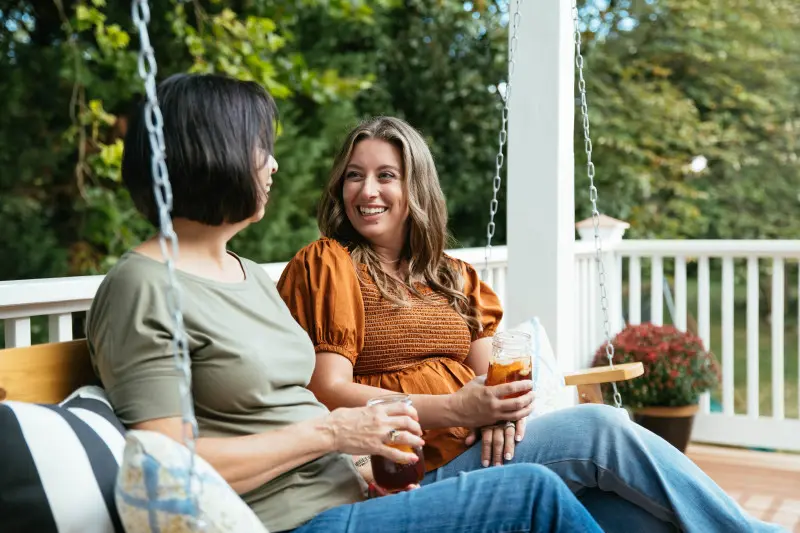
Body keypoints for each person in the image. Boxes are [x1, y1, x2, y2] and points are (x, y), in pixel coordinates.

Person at [85, 73, 605, 533]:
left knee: (611, 483)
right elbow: (169, 468)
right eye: (259, 147)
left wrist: (360, 460)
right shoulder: (143, 288)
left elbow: (288, 405)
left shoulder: (245, 274)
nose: (272, 165)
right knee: (533, 493)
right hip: (295, 518)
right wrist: (336, 432)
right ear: (211, 153)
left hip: (355, 491)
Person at [275, 116, 788, 533]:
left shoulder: (453, 276)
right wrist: (457, 407)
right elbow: (329, 389)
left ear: (416, 187)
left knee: (638, 518)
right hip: (411, 470)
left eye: (386, 174)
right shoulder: (330, 263)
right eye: (354, 175)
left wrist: (500, 413)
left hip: (486, 448)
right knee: (601, 427)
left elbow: (496, 377)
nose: (368, 190)